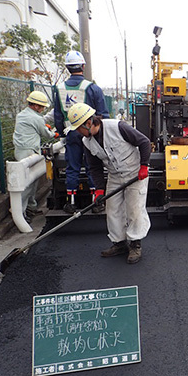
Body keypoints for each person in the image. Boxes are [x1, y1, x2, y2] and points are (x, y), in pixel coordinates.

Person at [67, 103, 151, 264]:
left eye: (79, 128)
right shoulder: (87, 141)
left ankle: (135, 244)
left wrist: (144, 166)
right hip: (115, 175)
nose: (78, 132)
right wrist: (99, 190)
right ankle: (119, 243)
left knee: (134, 209)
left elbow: (144, 142)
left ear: (89, 122)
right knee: (112, 209)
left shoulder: (117, 127)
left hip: (135, 173)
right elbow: (94, 167)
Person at [54, 50, 110, 214]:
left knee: (73, 167)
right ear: (83, 66)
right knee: (93, 166)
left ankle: (70, 202)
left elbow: (58, 115)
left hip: (71, 132)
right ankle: (96, 202)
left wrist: (62, 133)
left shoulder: (59, 89)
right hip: (90, 133)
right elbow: (104, 114)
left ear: (67, 68)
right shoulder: (92, 88)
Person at [13, 91, 58, 222]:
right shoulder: (36, 118)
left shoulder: (21, 115)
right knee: (28, 183)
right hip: (29, 151)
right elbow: (45, 133)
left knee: (32, 180)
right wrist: (54, 134)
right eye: (42, 107)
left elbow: (35, 127)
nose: (43, 109)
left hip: (21, 150)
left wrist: (44, 127)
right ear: (36, 106)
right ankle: (20, 212)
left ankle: (31, 207)